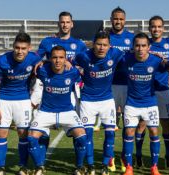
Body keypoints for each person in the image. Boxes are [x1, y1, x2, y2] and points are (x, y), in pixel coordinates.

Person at [32, 11, 87, 160]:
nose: (65, 25)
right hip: (51, 84)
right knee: (45, 125)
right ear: (58, 23)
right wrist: (45, 61)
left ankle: (79, 163)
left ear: (72, 24)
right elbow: (36, 58)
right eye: (62, 22)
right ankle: (41, 162)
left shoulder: (79, 44)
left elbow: (86, 64)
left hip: (71, 88)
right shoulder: (48, 42)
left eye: (67, 22)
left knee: (76, 127)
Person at [72, 31, 125, 175]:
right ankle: (90, 166)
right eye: (99, 44)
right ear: (93, 44)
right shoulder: (84, 56)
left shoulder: (116, 53)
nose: (101, 48)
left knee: (110, 135)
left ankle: (104, 166)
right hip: (88, 101)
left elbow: (133, 57)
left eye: (105, 45)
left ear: (109, 46)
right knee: (87, 135)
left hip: (107, 101)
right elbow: (68, 62)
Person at [28, 46, 87, 175]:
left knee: (82, 137)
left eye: (61, 57)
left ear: (65, 59)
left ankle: (79, 167)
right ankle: (39, 167)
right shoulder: (42, 70)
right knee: (31, 138)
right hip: (46, 111)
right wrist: (41, 61)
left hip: (67, 111)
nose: (58, 61)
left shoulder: (73, 72)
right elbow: (29, 60)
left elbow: (84, 71)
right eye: (54, 57)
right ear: (50, 58)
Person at [0, 32, 41, 175]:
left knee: (23, 134)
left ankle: (23, 167)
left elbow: (45, 61)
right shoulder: (2, 61)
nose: (20, 51)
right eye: (17, 47)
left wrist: (44, 62)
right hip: (4, 100)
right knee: (2, 133)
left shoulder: (34, 58)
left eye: (23, 48)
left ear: (29, 48)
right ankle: (0, 168)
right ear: (13, 47)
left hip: (23, 100)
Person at [134, 15, 169, 169]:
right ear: (149, 28)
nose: (156, 29)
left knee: (165, 124)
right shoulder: (144, 44)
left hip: (163, 90)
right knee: (142, 125)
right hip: (146, 91)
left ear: (163, 28)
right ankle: (138, 156)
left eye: (159, 26)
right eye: (153, 26)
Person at [122, 33, 163, 175]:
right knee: (129, 132)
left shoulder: (156, 61)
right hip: (131, 103)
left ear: (149, 47)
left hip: (150, 103)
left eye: (143, 46)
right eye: (137, 45)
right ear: (133, 47)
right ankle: (129, 167)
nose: (140, 48)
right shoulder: (126, 59)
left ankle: (154, 167)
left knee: (154, 132)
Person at [107, 6, 134, 172]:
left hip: (128, 85)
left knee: (127, 124)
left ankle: (125, 156)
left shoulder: (131, 38)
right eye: (115, 18)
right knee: (110, 125)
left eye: (121, 19)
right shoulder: (105, 37)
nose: (118, 21)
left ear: (125, 20)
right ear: (111, 20)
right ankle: (110, 158)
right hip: (109, 86)